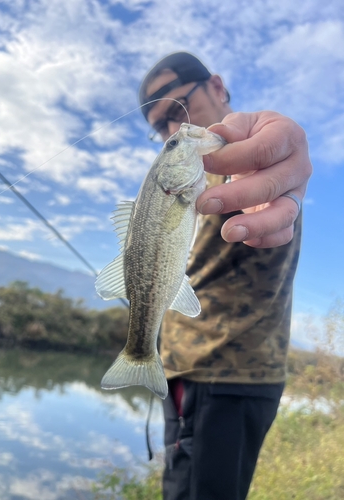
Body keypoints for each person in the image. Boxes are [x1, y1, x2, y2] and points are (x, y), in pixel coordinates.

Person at [138, 52, 312, 500]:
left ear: (217, 87)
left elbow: (271, 153)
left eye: (178, 108)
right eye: (160, 127)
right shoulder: (183, 181)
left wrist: (280, 145)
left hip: (219, 375)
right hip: (189, 372)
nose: (173, 131)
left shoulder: (241, 166)